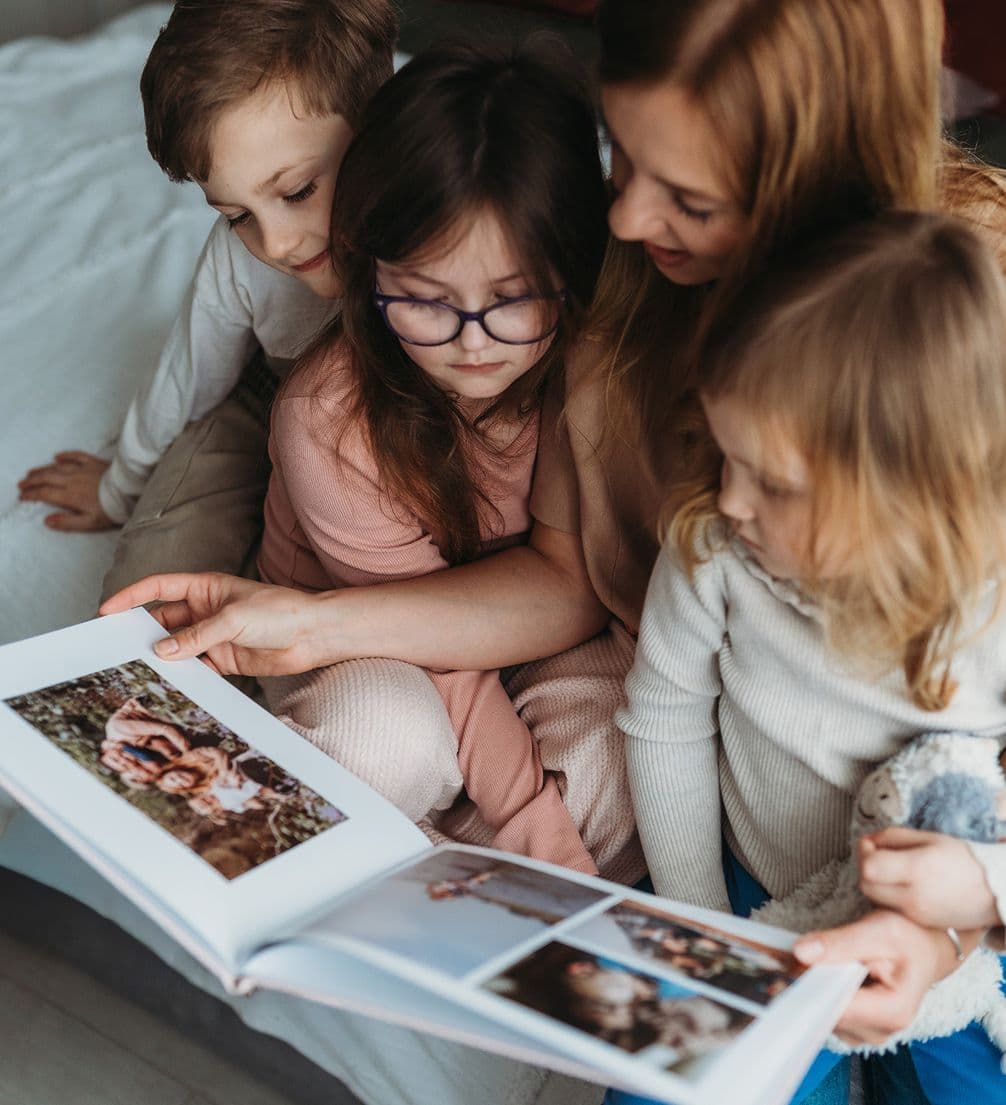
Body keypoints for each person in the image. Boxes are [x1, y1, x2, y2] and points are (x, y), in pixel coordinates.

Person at [100, 0, 1006, 1059]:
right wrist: (316, 623)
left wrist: (955, 910)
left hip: (897, 833)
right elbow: (571, 580)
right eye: (621, 167)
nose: (624, 222)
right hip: (359, 485)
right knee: (191, 548)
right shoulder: (577, 299)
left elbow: (584, 597)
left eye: (686, 194)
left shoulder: (956, 329)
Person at [620, 212, 1006, 1102]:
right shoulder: (716, 545)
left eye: (773, 482)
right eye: (726, 456)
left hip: (953, 924)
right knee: (666, 1085)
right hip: (762, 889)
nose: (731, 498)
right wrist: (707, 933)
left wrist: (978, 891)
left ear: (908, 493)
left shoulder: (986, 603)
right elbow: (665, 718)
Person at [256, 41, 609, 874]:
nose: (473, 344)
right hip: (366, 645)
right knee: (380, 738)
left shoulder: (581, 363)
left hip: (526, 636)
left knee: (626, 760)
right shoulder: (325, 420)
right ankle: (419, 855)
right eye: (424, 300)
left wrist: (550, 825)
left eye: (513, 300)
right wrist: (537, 826)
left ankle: (419, 856)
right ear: (367, 267)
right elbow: (427, 643)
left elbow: (573, 587)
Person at [17, 0, 397, 602]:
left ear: (382, 125)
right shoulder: (239, 258)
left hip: (393, 414)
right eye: (239, 215)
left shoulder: (433, 228)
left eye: (298, 191)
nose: (275, 243)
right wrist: (120, 488)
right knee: (153, 585)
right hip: (267, 390)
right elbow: (186, 377)